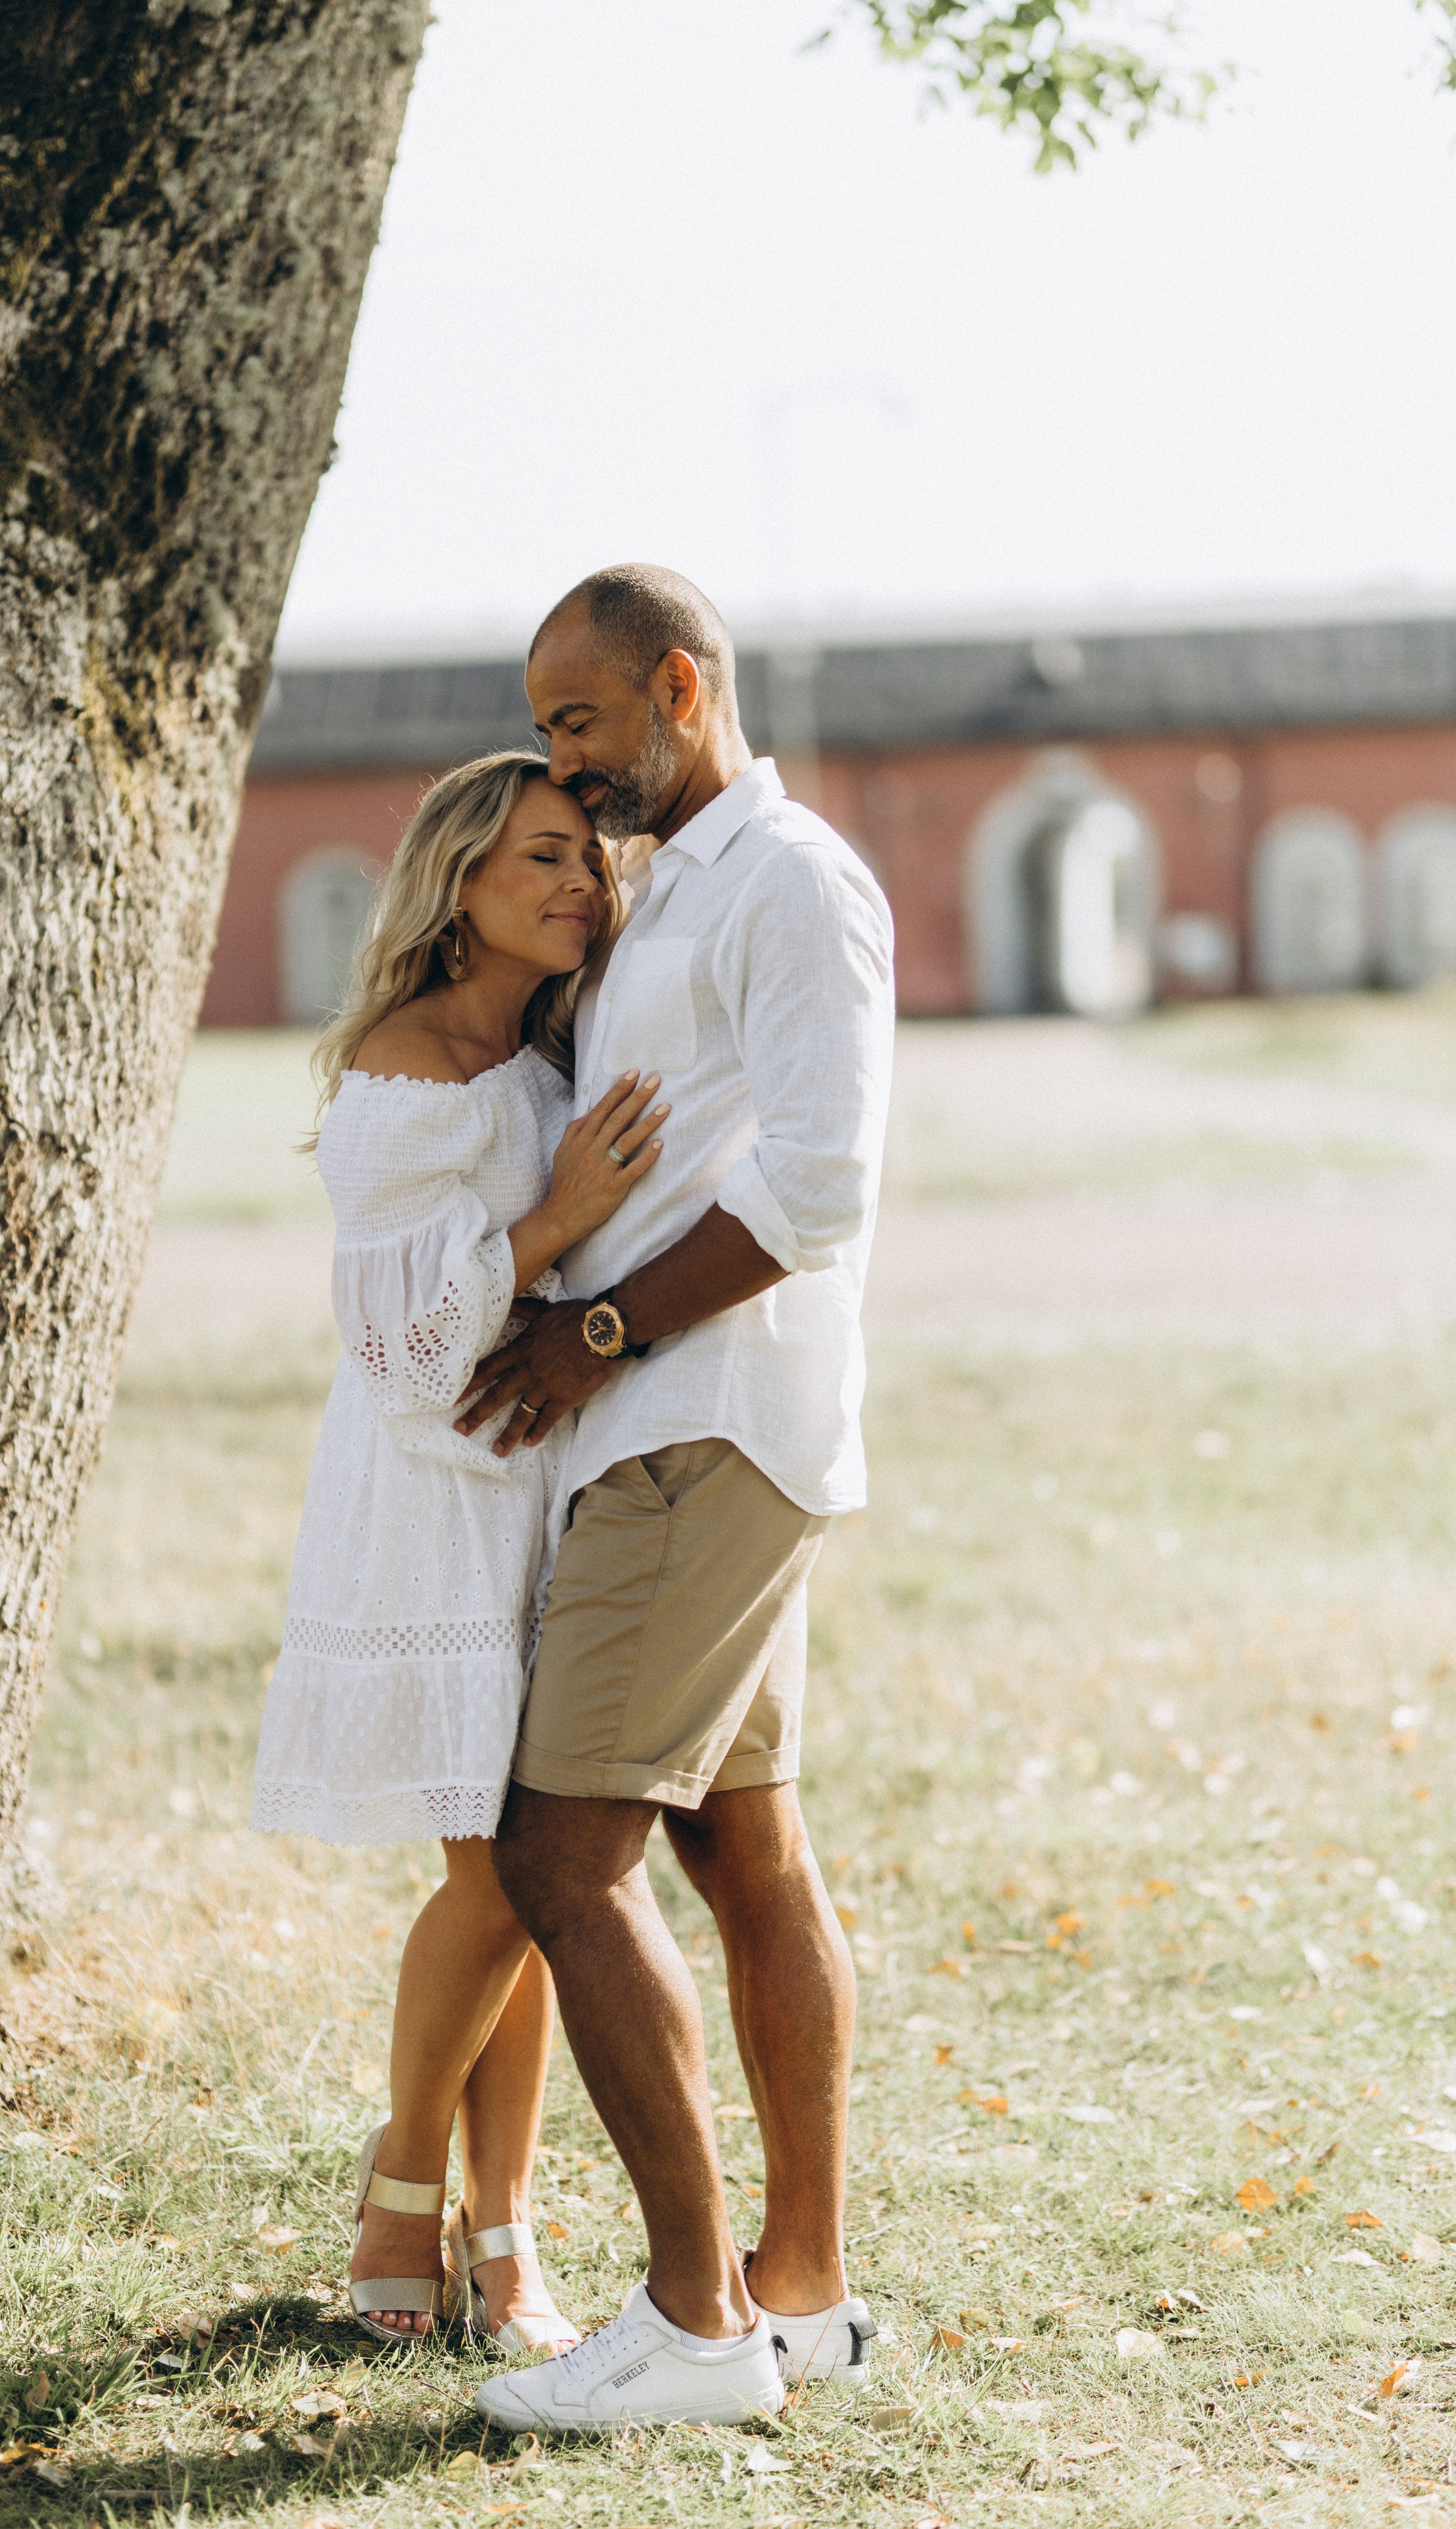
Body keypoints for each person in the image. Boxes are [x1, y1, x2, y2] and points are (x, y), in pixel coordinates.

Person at [455, 566, 896, 2432]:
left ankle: (693, 2324)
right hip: (674, 1421)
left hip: (697, 1421)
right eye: (545, 727)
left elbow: (820, 1183)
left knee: (562, 1859)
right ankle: (798, 2297)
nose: (562, 759)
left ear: (682, 688)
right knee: (741, 1849)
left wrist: (597, 1331)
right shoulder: (673, 889)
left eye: (580, 720)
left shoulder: (790, 880)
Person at [251, 750, 667, 2353]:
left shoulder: (555, 1045)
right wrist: (555, 1216)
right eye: (541, 857)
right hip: (431, 1498)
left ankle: (504, 2241)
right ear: (459, 883)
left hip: (541, 1483)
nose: (578, 883)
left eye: (587, 857)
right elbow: (403, 1348)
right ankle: (406, 2187)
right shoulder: (399, 1069)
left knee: (538, 1878)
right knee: (490, 1876)